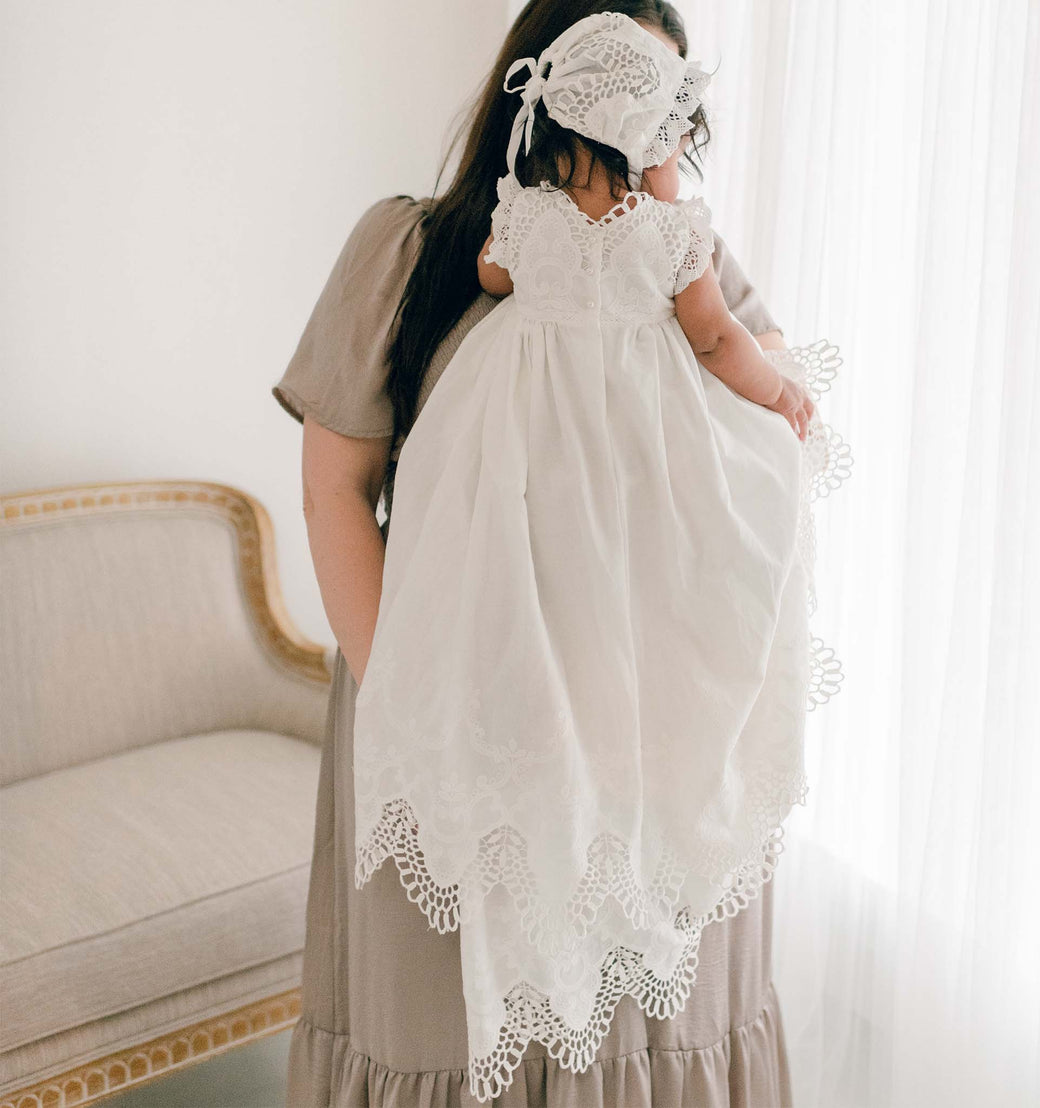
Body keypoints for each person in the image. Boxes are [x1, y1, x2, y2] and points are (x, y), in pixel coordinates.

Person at [273, 3, 848, 1104]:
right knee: (447, 1029)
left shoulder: (684, 255)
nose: (649, 132)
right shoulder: (418, 247)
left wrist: (738, 366)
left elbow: (761, 385)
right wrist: (413, 695)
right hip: (454, 692)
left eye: (669, 105)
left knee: (655, 1027)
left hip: (658, 727)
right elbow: (332, 487)